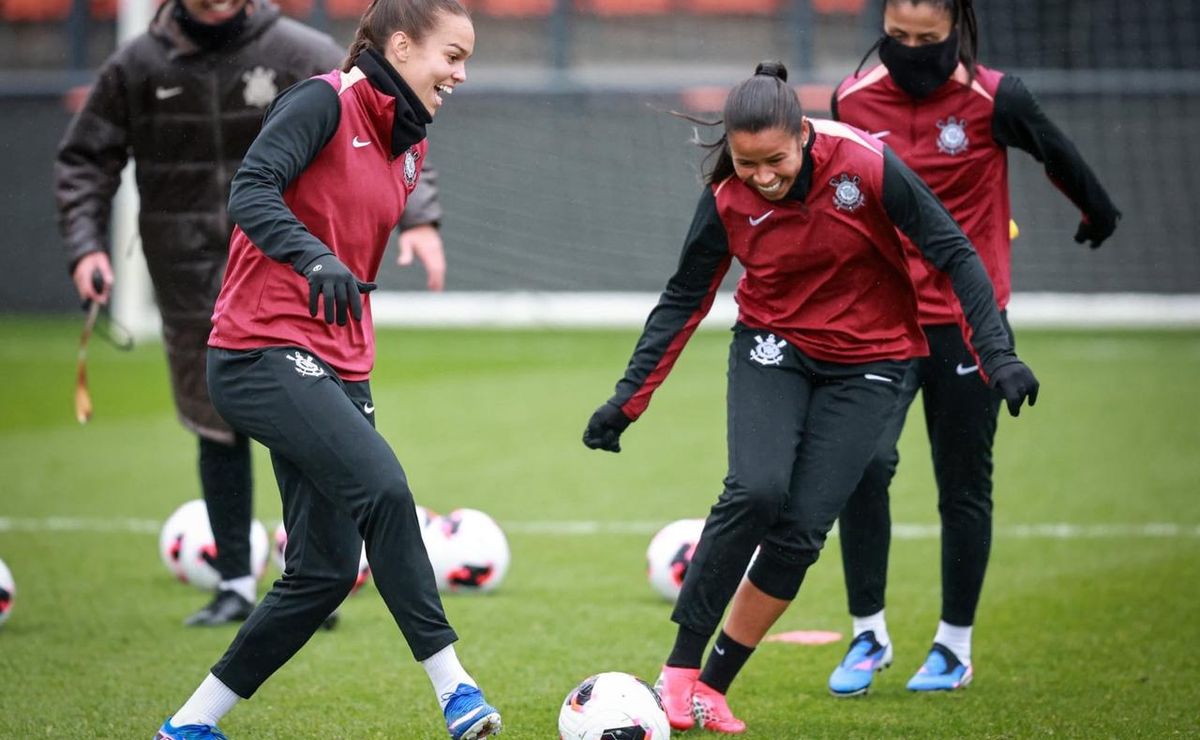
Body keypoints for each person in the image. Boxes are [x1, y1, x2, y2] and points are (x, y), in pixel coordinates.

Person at [583, 61, 1039, 733]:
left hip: (875, 360)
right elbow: (686, 296)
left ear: (804, 135)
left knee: (801, 531)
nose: (761, 176)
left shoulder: (867, 164)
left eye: (775, 161)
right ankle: (678, 674)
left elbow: (955, 253)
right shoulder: (725, 198)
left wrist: (995, 353)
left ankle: (715, 685)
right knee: (756, 491)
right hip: (774, 347)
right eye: (746, 163)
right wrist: (629, 398)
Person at [152, 1, 503, 738]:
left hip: (340, 361)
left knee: (322, 574)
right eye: (452, 55)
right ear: (402, 46)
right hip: (256, 351)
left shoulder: (410, 146)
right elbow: (250, 191)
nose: (461, 74)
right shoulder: (321, 100)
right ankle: (456, 690)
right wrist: (313, 255)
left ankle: (189, 725)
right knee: (384, 488)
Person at [55, 0, 446, 628]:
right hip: (186, 268)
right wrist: (86, 246)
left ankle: (311, 577)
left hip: (292, 263)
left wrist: (420, 216)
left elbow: (386, 122)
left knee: (306, 419)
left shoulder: (297, 51)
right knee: (213, 422)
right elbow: (85, 157)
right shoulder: (137, 63)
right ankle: (236, 579)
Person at [822, 0, 1121, 696]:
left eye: (928, 39)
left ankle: (953, 647)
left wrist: (1097, 212)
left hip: (969, 324)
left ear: (958, 29)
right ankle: (868, 633)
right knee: (862, 467)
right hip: (879, 324)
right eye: (897, 37)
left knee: (963, 487)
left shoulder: (996, 96)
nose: (912, 50)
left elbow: (1061, 154)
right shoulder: (852, 98)